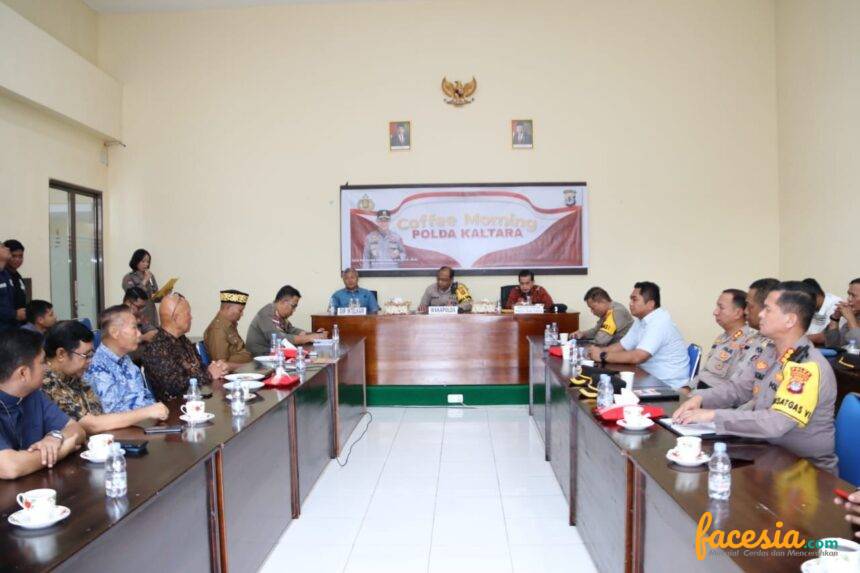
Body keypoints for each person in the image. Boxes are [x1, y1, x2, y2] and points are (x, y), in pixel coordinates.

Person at [674, 281, 838, 472]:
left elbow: (775, 423)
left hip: (805, 469)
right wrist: (700, 399)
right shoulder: (769, 351)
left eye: (768, 310)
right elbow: (738, 389)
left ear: (790, 320)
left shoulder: (806, 367)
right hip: (767, 451)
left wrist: (712, 415)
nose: (760, 314)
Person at [41, 321, 168, 434]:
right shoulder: (47, 383)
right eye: (86, 355)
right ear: (61, 354)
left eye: (91, 354)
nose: (90, 361)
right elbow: (91, 425)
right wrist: (146, 412)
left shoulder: (74, 376)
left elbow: (99, 415)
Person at [0, 329, 86, 479]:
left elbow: (77, 430)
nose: (47, 367)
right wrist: (62, 451)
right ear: (23, 373)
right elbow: (9, 467)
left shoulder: (33, 395)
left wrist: (56, 436)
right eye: (42, 362)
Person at [587, 281, 689, 387]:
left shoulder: (659, 322)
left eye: (634, 299)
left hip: (667, 384)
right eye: (631, 299)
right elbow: (622, 346)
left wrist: (602, 356)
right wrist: (597, 351)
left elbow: (638, 356)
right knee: (599, 383)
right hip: (648, 377)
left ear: (650, 304)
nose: (630, 303)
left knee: (606, 387)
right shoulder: (641, 321)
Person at [142, 293, 228, 401]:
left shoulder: (182, 339)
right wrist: (209, 374)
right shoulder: (156, 349)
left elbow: (199, 367)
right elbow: (176, 386)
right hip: (176, 407)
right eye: (188, 313)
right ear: (176, 318)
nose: (191, 317)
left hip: (198, 398)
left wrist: (217, 368)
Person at [85, 305, 155, 413]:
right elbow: (112, 413)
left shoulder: (125, 358)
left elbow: (144, 395)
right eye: (134, 328)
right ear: (114, 332)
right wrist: (149, 412)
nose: (139, 334)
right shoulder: (97, 367)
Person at [691, 289, 753, 390]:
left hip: (715, 396)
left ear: (738, 313)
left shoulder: (748, 344)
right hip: (699, 391)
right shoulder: (722, 338)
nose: (715, 312)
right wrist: (687, 387)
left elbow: (734, 389)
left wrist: (696, 395)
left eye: (721, 307)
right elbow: (705, 373)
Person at [246, 285, 328, 356]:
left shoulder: (279, 315)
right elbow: (279, 339)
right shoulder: (266, 314)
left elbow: (291, 330)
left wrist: (315, 335)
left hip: (273, 356)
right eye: (293, 306)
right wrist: (307, 338)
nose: (294, 310)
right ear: (283, 302)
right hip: (257, 359)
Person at [203, 290, 253, 370]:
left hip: (243, 371)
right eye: (240, 310)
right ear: (228, 308)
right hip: (236, 374)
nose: (242, 314)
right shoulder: (217, 330)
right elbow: (220, 366)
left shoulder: (228, 326)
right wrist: (249, 366)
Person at [122, 249, 170, 329]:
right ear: (136, 261)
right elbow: (133, 296)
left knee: (153, 334)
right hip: (138, 317)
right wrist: (144, 280)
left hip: (152, 316)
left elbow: (155, 298)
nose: (146, 264)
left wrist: (165, 293)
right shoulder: (129, 277)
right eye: (143, 261)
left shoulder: (150, 276)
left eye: (148, 262)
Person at [802, 278, 842, 345]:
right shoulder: (814, 306)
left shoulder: (835, 304)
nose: (805, 304)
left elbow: (827, 336)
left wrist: (799, 339)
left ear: (817, 295)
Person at [824, 278, 860, 348]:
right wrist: (835, 318)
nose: (849, 299)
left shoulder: (851, 319)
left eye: (853, 295)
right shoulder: (853, 317)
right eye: (849, 294)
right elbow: (832, 346)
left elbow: (858, 346)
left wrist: (850, 319)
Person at [0, 244, 23, 333]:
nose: (8, 248)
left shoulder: (6, 274)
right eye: (2, 246)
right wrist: (14, 314)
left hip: (11, 329)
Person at [3, 240, 28, 323]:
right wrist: (14, 314)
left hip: (19, 324)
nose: (17, 259)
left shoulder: (17, 276)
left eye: (20, 256)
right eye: (13, 256)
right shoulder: (2, 276)